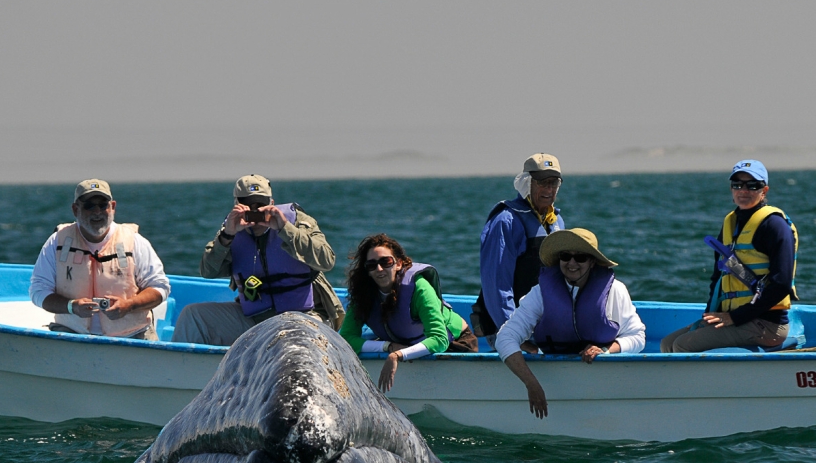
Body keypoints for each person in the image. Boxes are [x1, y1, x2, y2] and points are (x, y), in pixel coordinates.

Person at [172, 174, 344, 345]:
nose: (254, 211)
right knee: (193, 316)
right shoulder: (230, 229)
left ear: (271, 203)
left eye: (260, 205)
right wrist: (227, 236)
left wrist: (286, 229)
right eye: (247, 204)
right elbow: (208, 271)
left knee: (293, 342)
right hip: (254, 320)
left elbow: (327, 260)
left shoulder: (299, 222)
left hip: (304, 315)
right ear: (236, 205)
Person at [496, 228, 646, 418]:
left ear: (592, 262)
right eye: (566, 256)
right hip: (551, 378)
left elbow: (638, 337)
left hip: (600, 379)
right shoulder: (540, 292)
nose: (572, 263)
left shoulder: (615, 291)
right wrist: (531, 384)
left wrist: (606, 350)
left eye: (581, 257)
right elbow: (505, 338)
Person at [661, 160, 798, 353]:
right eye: (737, 185)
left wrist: (734, 318)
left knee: (684, 345)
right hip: (736, 318)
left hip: (767, 325)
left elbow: (782, 284)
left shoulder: (774, 226)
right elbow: (718, 278)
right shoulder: (730, 224)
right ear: (731, 189)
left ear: (764, 190)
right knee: (667, 343)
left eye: (752, 185)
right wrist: (709, 316)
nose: (743, 190)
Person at [30, 179, 170, 339]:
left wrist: (128, 305)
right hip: (71, 335)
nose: (97, 211)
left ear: (113, 207)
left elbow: (160, 287)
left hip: (134, 335)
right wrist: (71, 306)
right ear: (75, 209)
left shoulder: (135, 241)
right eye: (89, 206)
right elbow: (38, 290)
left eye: (103, 205)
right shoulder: (57, 241)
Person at [339, 234, 478, 392]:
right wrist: (388, 347)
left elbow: (439, 339)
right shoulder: (363, 295)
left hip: (454, 344)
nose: (379, 269)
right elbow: (346, 339)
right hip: (400, 344)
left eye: (386, 262)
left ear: (398, 264)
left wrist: (398, 355)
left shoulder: (419, 288)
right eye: (372, 265)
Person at [471, 153, 566, 347]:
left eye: (553, 183)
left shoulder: (556, 221)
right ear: (527, 183)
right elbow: (497, 285)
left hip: (541, 327)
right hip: (512, 330)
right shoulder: (506, 221)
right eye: (542, 182)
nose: (549, 189)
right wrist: (514, 335)